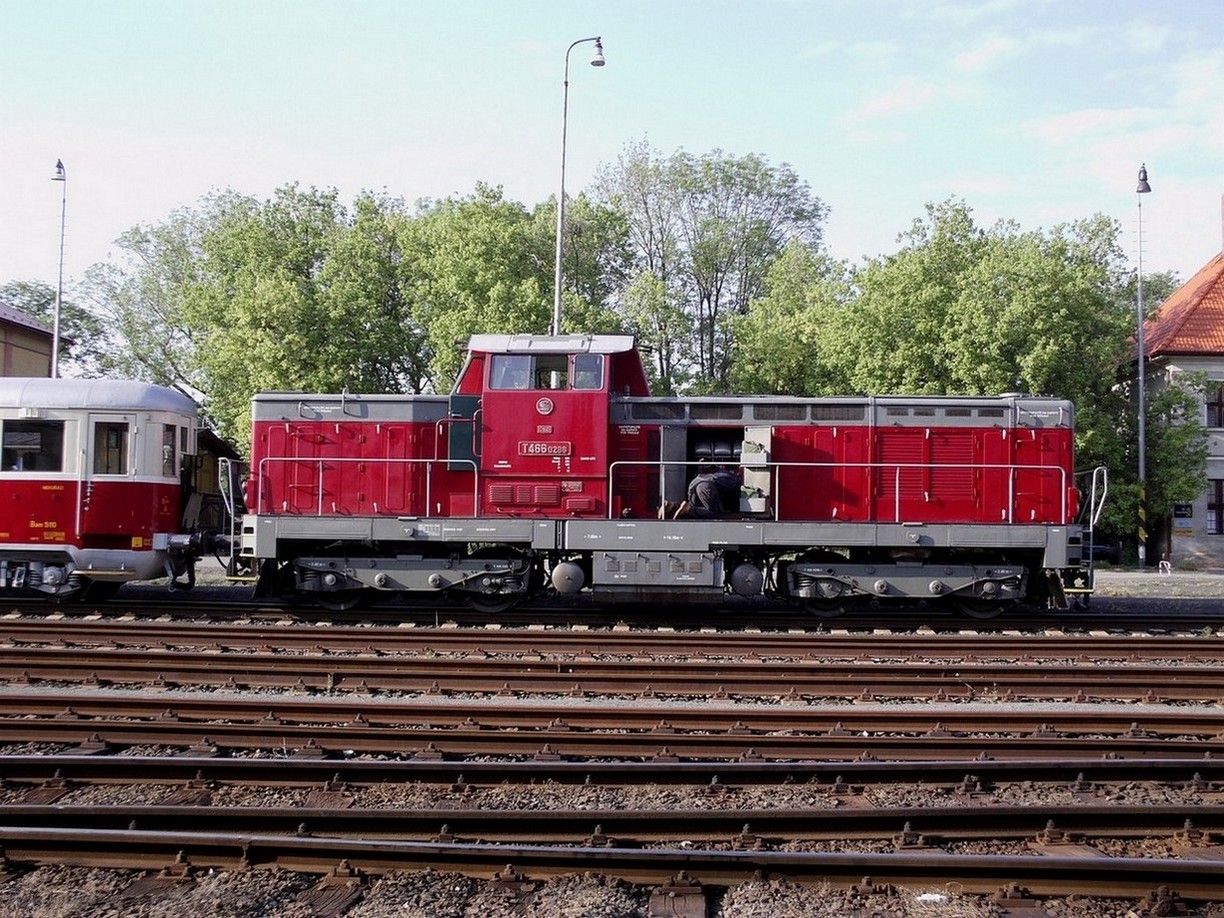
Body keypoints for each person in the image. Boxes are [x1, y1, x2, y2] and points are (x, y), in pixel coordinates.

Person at [659, 461, 741, 519]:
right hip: (703, 486)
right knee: (711, 513)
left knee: (705, 512)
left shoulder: (720, 475)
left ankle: (677, 507)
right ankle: (687, 509)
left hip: (695, 484)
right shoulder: (729, 476)